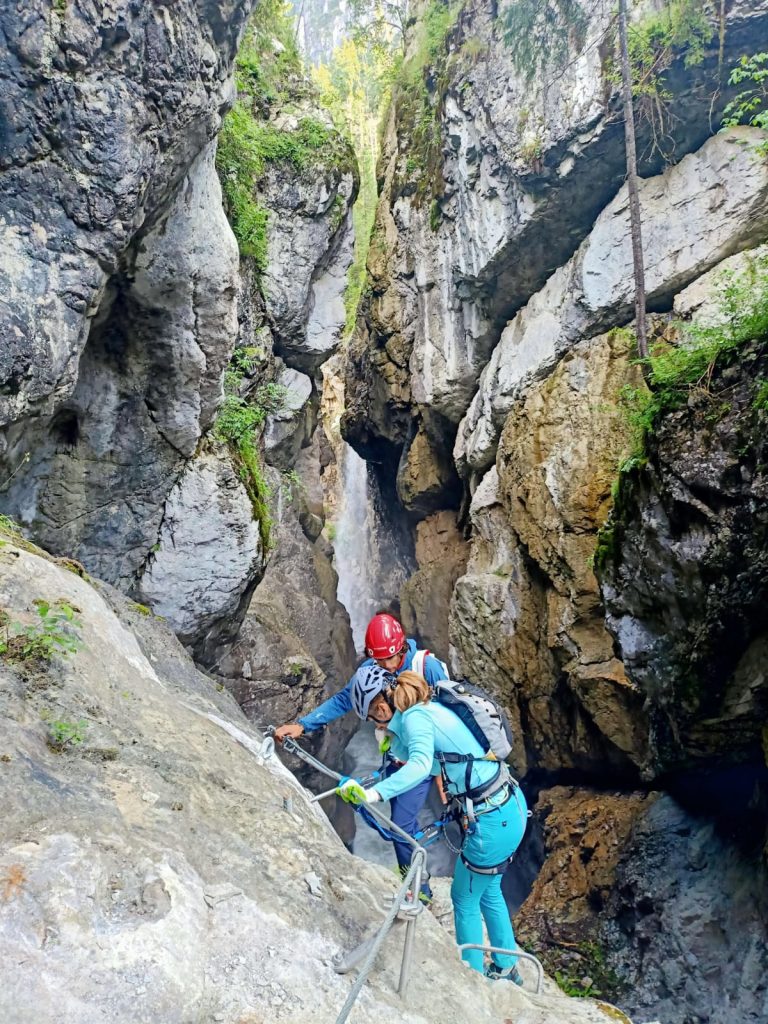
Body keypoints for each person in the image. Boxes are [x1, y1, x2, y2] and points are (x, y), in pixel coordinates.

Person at [337, 668, 529, 984]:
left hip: (492, 819)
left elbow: (420, 766)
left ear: (381, 708)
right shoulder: (422, 708)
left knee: (464, 898)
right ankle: (506, 966)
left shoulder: (415, 719)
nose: (375, 723)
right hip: (507, 805)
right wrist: (387, 747)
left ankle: (472, 979)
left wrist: (372, 793)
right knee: (489, 889)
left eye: (373, 717)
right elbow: (414, 753)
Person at [273, 613, 449, 887]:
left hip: (425, 759)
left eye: (391, 659)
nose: (387, 666)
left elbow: (451, 716)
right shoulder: (374, 668)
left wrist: (445, 771)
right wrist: (304, 725)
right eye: (380, 660)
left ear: (402, 647)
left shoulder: (427, 668)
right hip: (396, 754)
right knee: (399, 824)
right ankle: (412, 878)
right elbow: (346, 698)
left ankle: (418, 887)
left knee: (401, 824)